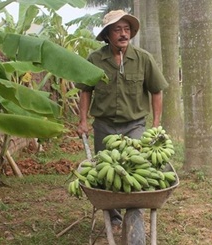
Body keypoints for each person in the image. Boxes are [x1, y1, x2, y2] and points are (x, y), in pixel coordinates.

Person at [76, 10, 169, 226]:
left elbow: (157, 91)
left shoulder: (143, 59)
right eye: (117, 29)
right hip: (104, 126)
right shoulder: (95, 59)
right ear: (107, 35)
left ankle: (134, 210)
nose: (123, 34)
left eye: (127, 29)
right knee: (106, 173)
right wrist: (82, 121)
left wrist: (155, 125)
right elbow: (86, 91)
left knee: (134, 167)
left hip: (134, 125)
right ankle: (114, 217)